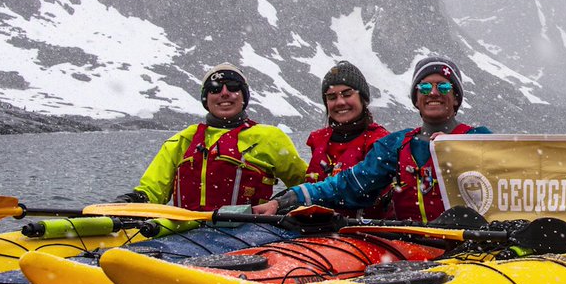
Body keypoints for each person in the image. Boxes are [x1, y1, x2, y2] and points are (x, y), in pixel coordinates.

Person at [254, 56, 491, 223]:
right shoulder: (396, 145)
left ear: (456, 97)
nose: (434, 93)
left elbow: (519, 179)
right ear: (416, 99)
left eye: (444, 86)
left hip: (468, 246)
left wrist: (462, 150)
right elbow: (349, 184)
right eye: (425, 86)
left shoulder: (480, 139)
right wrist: (287, 199)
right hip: (412, 249)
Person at [115, 64, 308, 210]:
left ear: (243, 97)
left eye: (232, 87)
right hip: (187, 233)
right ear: (206, 99)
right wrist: (129, 201)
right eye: (215, 89)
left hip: (251, 233)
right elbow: (152, 191)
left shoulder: (270, 138)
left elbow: (306, 185)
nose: (224, 93)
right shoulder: (182, 140)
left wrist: (281, 203)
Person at [304, 61, 392, 218]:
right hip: (317, 230)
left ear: (363, 99)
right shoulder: (318, 141)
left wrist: (300, 195)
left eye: (347, 94)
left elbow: (359, 189)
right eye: (332, 97)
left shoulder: (380, 142)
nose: (340, 102)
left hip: (363, 233)